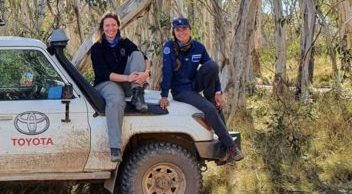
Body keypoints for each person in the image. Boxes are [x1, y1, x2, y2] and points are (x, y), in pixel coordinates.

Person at [159, 17, 244, 162]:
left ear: (190, 30)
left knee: (212, 66)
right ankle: (230, 146)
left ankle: (211, 97)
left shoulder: (198, 47)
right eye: (178, 30)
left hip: (194, 84)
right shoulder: (169, 47)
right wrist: (164, 95)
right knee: (210, 108)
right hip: (181, 90)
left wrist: (218, 92)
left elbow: (212, 70)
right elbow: (167, 71)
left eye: (184, 29)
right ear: (174, 32)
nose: (181, 32)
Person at [90, 13, 151, 163]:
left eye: (113, 25)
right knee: (117, 101)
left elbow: (145, 58)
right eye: (107, 25)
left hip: (126, 82)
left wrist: (146, 73)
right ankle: (115, 148)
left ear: (118, 26)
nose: (110, 28)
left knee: (137, 54)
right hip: (106, 83)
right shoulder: (97, 48)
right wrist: (128, 78)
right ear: (102, 28)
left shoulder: (124, 42)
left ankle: (138, 95)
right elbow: (104, 74)